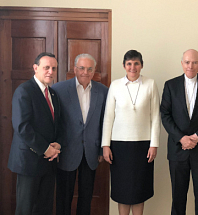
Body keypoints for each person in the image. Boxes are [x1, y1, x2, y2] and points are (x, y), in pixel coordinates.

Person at [160, 49, 198, 215]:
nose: (190, 66)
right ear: (182, 63)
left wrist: (196, 136)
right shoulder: (170, 85)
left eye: (194, 62)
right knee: (178, 198)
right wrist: (181, 138)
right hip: (178, 150)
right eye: (187, 62)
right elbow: (164, 115)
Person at [102, 50, 160, 215]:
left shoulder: (150, 84)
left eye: (136, 63)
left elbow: (155, 117)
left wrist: (154, 144)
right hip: (119, 146)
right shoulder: (115, 85)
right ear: (124, 65)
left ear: (141, 65)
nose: (132, 67)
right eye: (129, 64)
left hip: (143, 145)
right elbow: (108, 117)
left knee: (139, 189)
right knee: (123, 190)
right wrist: (106, 145)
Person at [52, 53, 108, 215]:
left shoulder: (103, 91)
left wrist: (100, 150)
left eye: (90, 69)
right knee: (63, 197)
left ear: (94, 70)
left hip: (91, 152)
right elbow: (53, 122)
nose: (86, 72)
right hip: (66, 151)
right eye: (82, 68)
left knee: (86, 196)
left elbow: (105, 121)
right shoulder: (59, 89)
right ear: (75, 69)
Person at [7, 52, 61, 215]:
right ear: (35, 68)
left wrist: (57, 143)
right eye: (46, 68)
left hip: (49, 163)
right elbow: (22, 127)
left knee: (44, 208)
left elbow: (56, 125)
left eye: (53, 68)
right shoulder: (24, 90)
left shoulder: (53, 94)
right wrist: (46, 149)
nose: (50, 71)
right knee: (26, 209)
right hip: (29, 162)